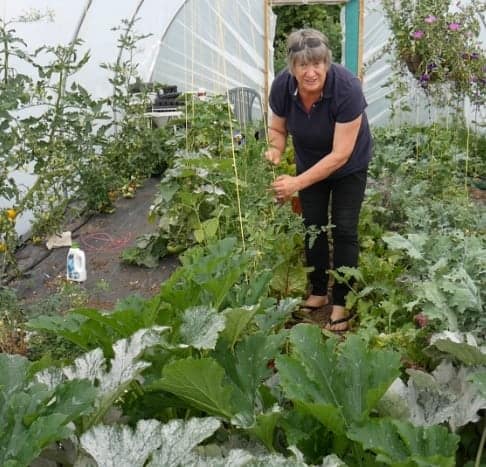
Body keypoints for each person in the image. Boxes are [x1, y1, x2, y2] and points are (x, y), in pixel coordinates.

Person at [265, 28, 372, 333]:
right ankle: (317, 291)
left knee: (344, 229)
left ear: (327, 63)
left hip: (348, 165)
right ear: (292, 67)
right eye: (303, 65)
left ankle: (341, 303)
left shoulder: (347, 89)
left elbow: (340, 155)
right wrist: (275, 151)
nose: (311, 72)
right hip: (310, 162)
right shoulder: (283, 87)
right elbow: (277, 130)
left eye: (318, 64)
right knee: (312, 226)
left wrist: (297, 183)